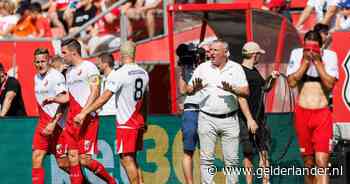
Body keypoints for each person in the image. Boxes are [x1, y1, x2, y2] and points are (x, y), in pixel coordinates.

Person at [74, 41, 149, 184]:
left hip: (126, 123)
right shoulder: (143, 72)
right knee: (133, 159)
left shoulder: (120, 73)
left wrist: (84, 113)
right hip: (138, 122)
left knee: (126, 159)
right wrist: (145, 120)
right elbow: (146, 99)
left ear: (121, 54)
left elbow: (104, 98)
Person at [187, 39, 249, 184]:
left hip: (230, 119)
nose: (211, 53)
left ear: (225, 53)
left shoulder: (236, 68)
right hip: (207, 118)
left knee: (232, 161)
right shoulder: (203, 68)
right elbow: (188, 90)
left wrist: (232, 89)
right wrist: (194, 89)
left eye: (215, 50)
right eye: (211, 50)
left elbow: (246, 91)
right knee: (206, 159)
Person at [60, 38, 116, 184]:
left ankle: (111, 181)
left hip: (87, 118)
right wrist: (54, 99)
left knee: (85, 160)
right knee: (72, 159)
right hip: (72, 120)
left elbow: (95, 91)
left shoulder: (89, 67)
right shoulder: (69, 71)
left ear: (73, 52)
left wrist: (84, 112)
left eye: (64, 52)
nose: (62, 56)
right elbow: (68, 96)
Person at [287, 30, 338, 184]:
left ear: (321, 48)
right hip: (302, 113)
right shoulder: (297, 54)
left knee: (322, 163)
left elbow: (330, 83)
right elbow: (291, 82)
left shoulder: (330, 56)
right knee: (308, 164)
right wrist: (305, 62)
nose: (310, 52)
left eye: (314, 49)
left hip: (322, 114)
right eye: (307, 48)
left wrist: (317, 61)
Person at [238, 42, 279, 184]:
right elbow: (240, 98)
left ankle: (265, 181)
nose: (259, 57)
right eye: (259, 54)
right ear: (254, 55)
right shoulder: (239, 71)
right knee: (248, 154)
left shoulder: (255, 71)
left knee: (264, 151)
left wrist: (272, 79)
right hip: (246, 119)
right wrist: (249, 119)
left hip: (260, 118)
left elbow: (265, 88)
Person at [31, 48, 70, 184]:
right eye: (37, 62)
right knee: (36, 156)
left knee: (63, 164)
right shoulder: (36, 78)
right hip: (43, 123)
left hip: (57, 125)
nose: (40, 64)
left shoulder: (56, 76)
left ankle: (81, 181)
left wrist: (54, 123)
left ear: (48, 61)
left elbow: (65, 101)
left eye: (43, 61)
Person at [180, 42, 212, 184]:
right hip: (191, 109)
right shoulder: (187, 65)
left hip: (207, 109)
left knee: (207, 153)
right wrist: (185, 69)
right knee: (188, 150)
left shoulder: (212, 66)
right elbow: (182, 89)